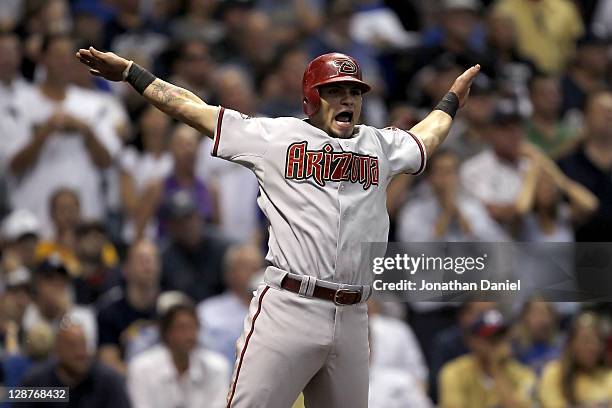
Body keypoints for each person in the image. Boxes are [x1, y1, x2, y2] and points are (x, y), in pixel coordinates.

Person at [76, 45, 479, 408]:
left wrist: (451, 101)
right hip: (291, 304)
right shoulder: (275, 137)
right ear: (311, 98)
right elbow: (192, 109)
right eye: (335, 90)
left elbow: (425, 137)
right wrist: (132, 72)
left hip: (355, 314)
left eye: (354, 91)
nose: (347, 99)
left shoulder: (380, 144)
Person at [7, 34, 120, 236]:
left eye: (69, 56)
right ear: (42, 59)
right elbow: (12, 166)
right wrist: (45, 131)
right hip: (34, 215)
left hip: (85, 214)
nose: (64, 62)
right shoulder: (18, 104)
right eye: (57, 56)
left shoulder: (93, 104)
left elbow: (107, 161)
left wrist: (86, 131)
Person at [127, 301, 230, 408]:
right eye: (182, 328)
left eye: (193, 327)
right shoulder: (141, 368)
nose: (189, 335)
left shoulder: (217, 367)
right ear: (166, 332)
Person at [398, 148, 508, 242]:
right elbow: (414, 249)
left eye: (451, 171)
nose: (447, 179)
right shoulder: (414, 210)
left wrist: (461, 217)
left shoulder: (472, 207)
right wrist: (446, 214)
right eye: (441, 171)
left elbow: (494, 242)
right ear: (429, 177)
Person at [19, 319, 131, 408]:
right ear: (57, 350)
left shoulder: (108, 382)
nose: (80, 353)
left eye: (83, 345)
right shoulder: (36, 383)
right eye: (72, 345)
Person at [439, 309, 536, 408]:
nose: (497, 345)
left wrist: (496, 370)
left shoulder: (523, 374)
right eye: (491, 339)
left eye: (501, 338)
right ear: (472, 341)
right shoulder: (454, 373)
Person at [96, 239, 160, 375]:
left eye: (151, 259)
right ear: (126, 269)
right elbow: (108, 364)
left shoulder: (170, 307)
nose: (147, 264)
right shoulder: (109, 311)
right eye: (141, 259)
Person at [557, 90, 612, 241]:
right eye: (602, 110)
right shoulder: (566, 165)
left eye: (611, 110)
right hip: (582, 251)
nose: (609, 115)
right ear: (586, 116)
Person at [198, 244, 263, 366]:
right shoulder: (207, 312)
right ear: (229, 273)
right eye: (246, 267)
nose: (255, 273)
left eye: (257, 267)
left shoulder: (269, 310)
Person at [539, 312, 612, 407]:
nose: (592, 347)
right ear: (571, 344)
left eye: (596, 341)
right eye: (585, 340)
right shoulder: (554, 372)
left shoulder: (608, 375)